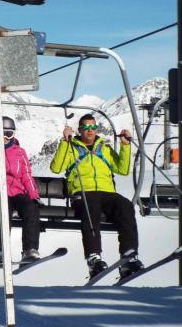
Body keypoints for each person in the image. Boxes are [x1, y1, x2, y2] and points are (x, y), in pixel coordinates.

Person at [50, 113, 144, 279]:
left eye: (93, 127)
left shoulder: (104, 148)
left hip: (106, 192)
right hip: (83, 192)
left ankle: (128, 255)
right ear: (80, 130)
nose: (90, 130)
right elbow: (56, 168)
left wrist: (125, 146)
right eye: (86, 127)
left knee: (125, 205)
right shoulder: (71, 147)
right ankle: (94, 257)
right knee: (90, 206)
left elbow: (122, 169)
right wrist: (65, 142)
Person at [0, 116, 41, 266]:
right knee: (4, 210)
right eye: (1, 133)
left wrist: (33, 195)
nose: (5, 137)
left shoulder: (20, 152)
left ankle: (29, 249)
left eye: (9, 133)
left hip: (17, 192)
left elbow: (26, 175)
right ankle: (1, 252)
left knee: (31, 208)